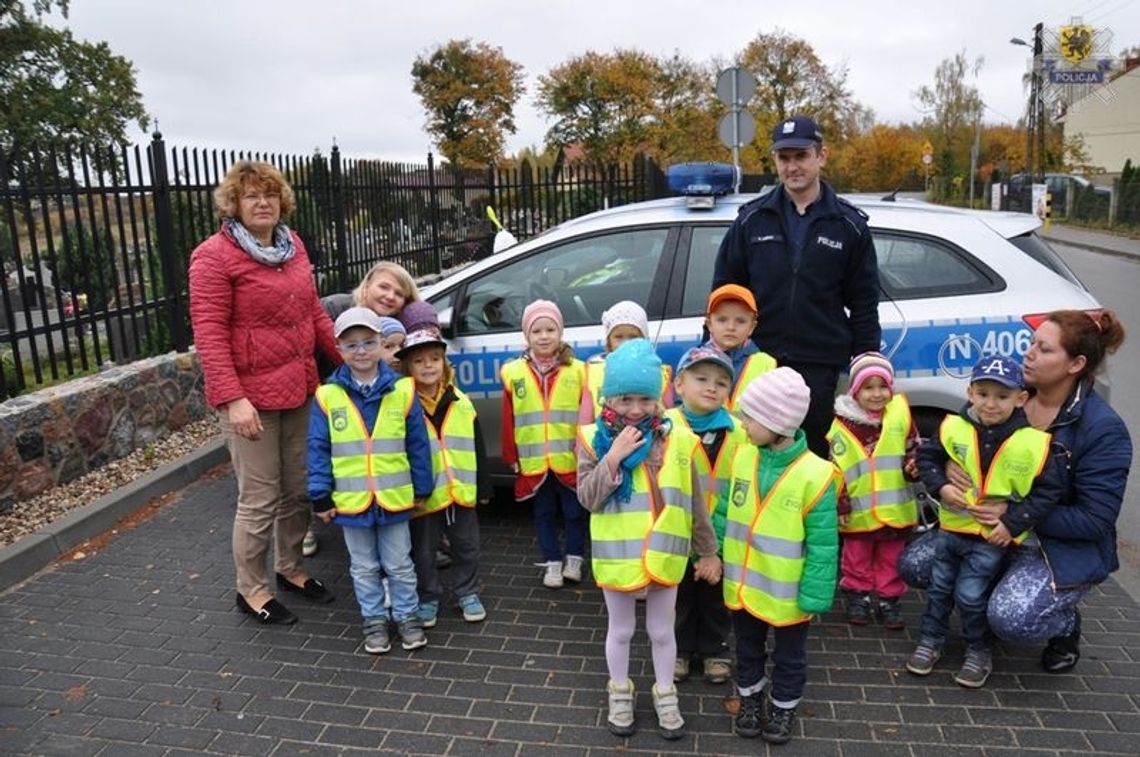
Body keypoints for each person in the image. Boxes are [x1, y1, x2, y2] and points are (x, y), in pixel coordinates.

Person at [188, 160, 339, 625]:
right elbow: (209, 333)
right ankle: (250, 590)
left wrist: (353, 357)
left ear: (282, 201)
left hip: (299, 389)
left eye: (270, 194)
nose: (262, 202)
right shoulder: (214, 256)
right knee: (259, 499)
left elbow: (314, 314)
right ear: (233, 204)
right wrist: (232, 398)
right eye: (251, 195)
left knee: (297, 491)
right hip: (250, 399)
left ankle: (290, 568)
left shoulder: (293, 248)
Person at [576, 338, 722, 741]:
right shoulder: (592, 438)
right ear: (609, 399)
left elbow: (693, 502)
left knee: (662, 631)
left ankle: (665, 692)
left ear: (658, 397)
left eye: (644, 399)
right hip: (618, 556)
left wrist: (707, 550)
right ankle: (619, 692)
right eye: (624, 400)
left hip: (666, 554)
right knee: (620, 630)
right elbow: (588, 498)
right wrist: (614, 457)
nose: (635, 410)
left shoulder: (678, 438)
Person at [712, 115, 881, 457]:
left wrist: (866, 369)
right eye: (784, 158)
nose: (792, 166)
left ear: (822, 156)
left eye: (801, 156)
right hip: (757, 362)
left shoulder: (849, 226)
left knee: (812, 458)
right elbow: (723, 295)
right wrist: (714, 356)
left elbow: (864, 304)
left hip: (818, 368)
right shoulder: (751, 219)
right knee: (749, 456)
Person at [983, 311, 1130, 673]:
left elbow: (1094, 521)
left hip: (1056, 547)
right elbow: (961, 445)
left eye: (1044, 349)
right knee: (918, 566)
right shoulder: (1009, 396)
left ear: (1076, 364)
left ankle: (1065, 626)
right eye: (1032, 343)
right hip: (999, 531)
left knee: (1010, 619)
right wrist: (940, 470)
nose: (1029, 353)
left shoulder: (1103, 430)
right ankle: (999, 585)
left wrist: (1015, 514)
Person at [909, 355, 1059, 688]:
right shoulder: (952, 426)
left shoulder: (1033, 443)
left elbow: (1047, 494)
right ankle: (931, 640)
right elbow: (928, 458)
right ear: (970, 393)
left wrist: (1012, 523)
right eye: (983, 394)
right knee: (938, 590)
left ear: (1021, 398)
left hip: (990, 538)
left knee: (970, 595)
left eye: (1002, 396)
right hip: (951, 530)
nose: (991, 404)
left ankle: (978, 650)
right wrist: (942, 486)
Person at [307, 307, 435, 654]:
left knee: (399, 564)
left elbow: (418, 444)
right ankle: (374, 620)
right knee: (363, 567)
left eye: (368, 342)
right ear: (338, 348)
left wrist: (423, 486)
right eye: (351, 345)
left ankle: (407, 616)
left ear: (382, 344)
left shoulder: (403, 392)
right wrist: (320, 495)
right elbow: (318, 449)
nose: (360, 351)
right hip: (353, 502)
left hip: (394, 498)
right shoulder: (327, 396)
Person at [723, 367, 838, 746]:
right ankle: (751, 700)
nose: (743, 424)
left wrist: (817, 593)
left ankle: (783, 706)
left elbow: (824, 544)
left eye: (750, 418)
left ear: (778, 423)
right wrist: (707, 552)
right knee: (748, 649)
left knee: (790, 657)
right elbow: (725, 510)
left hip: (789, 593)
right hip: (743, 585)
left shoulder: (816, 475)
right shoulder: (742, 457)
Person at [396, 302, 492, 627]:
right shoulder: (401, 404)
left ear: (444, 362)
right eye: (419, 361)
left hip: (460, 490)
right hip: (424, 495)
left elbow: (476, 444)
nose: (428, 366)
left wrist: (484, 485)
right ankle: (428, 596)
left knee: (467, 546)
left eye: (434, 359)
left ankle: (467, 591)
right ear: (407, 366)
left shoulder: (461, 400)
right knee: (423, 552)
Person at [663, 346, 743, 685]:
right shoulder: (664, 427)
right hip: (677, 533)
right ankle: (679, 650)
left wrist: (719, 543)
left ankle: (715, 650)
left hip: (721, 534)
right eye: (701, 379)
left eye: (722, 382)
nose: (712, 387)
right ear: (679, 385)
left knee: (714, 600)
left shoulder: (740, 432)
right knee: (677, 599)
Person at [827, 352, 920, 629]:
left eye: (883, 387)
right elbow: (836, 470)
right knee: (856, 555)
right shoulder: (842, 426)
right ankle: (857, 594)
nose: (877, 394)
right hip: (859, 510)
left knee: (892, 556)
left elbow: (913, 446)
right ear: (855, 391)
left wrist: (914, 465)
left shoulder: (899, 417)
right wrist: (841, 503)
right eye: (868, 387)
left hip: (895, 508)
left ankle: (888, 599)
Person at [500, 300, 588, 588]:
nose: (544, 336)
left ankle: (574, 558)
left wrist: (586, 450)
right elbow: (508, 417)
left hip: (569, 459)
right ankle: (552, 562)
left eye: (551, 329)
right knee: (543, 513)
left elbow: (586, 415)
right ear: (527, 336)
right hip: (535, 461)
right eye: (536, 330)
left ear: (560, 332)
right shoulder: (513, 372)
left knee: (575, 512)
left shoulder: (578, 370)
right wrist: (510, 454)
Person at [580, 301, 673, 422]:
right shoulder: (594, 373)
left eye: (633, 337)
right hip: (605, 438)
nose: (625, 343)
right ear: (609, 342)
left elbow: (669, 417)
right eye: (619, 337)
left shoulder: (660, 373)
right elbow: (585, 423)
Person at [702, 285, 776, 411]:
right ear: (709, 324)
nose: (731, 327)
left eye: (740, 321)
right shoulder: (695, 361)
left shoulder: (765, 364)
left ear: (752, 327)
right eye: (722, 320)